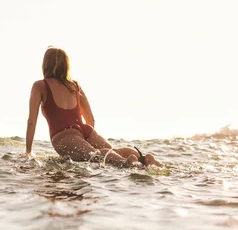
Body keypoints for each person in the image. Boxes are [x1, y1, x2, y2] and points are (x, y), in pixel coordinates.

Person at [24, 47, 162, 168]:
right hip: (86, 130)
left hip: (64, 136)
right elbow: (90, 119)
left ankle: (129, 163)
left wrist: (28, 151)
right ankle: (144, 159)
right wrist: (84, 138)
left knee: (96, 155)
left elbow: (31, 121)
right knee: (114, 152)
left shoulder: (40, 86)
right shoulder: (75, 86)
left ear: (45, 64)